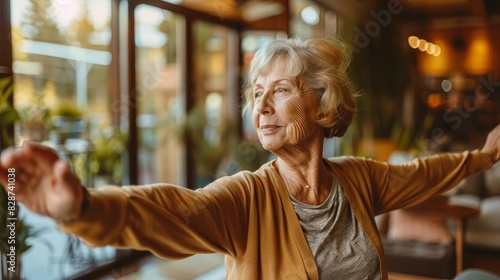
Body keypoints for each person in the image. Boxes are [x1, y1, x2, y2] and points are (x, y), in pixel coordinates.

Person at [1, 38, 499, 280]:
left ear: (323, 105)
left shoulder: (359, 180)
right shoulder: (247, 196)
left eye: (280, 91)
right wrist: (85, 209)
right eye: (256, 93)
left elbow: (423, 174)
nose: (259, 106)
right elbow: (174, 210)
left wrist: (482, 157)